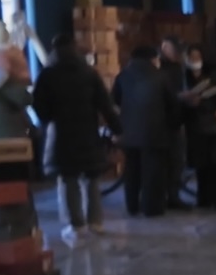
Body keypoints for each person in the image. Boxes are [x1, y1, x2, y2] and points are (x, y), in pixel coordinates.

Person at [32, 32, 120, 244]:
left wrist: (48, 119)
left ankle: (76, 224)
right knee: (92, 178)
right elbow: (105, 105)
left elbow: (39, 106)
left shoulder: (48, 75)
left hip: (61, 135)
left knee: (68, 179)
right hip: (88, 132)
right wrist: (117, 129)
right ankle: (96, 222)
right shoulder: (89, 73)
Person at [111, 45, 179, 218]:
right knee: (153, 173)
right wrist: (173, 125)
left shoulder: (122, 76)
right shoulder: (161, 76)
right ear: (152, 58)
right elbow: (172, 104)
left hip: (128, 133)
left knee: (131, 171)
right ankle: (151, 208)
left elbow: (115, 101)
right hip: (155, 132)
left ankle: (132, 205)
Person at [182, 44, 216, 212]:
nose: (195, 61)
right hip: (196, 126)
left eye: (197, 57)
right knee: (201, 165)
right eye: (192, 58)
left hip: (214, 124)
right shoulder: (184, 77)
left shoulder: (213, 75)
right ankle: (204, 199)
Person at [158, 36, 190, 210]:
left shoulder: (177, 68)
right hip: (162, 121)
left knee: (176, 161)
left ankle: (173, 195)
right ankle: (166, 195)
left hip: (175, 120)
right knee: (165, 161)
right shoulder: (158, 68)